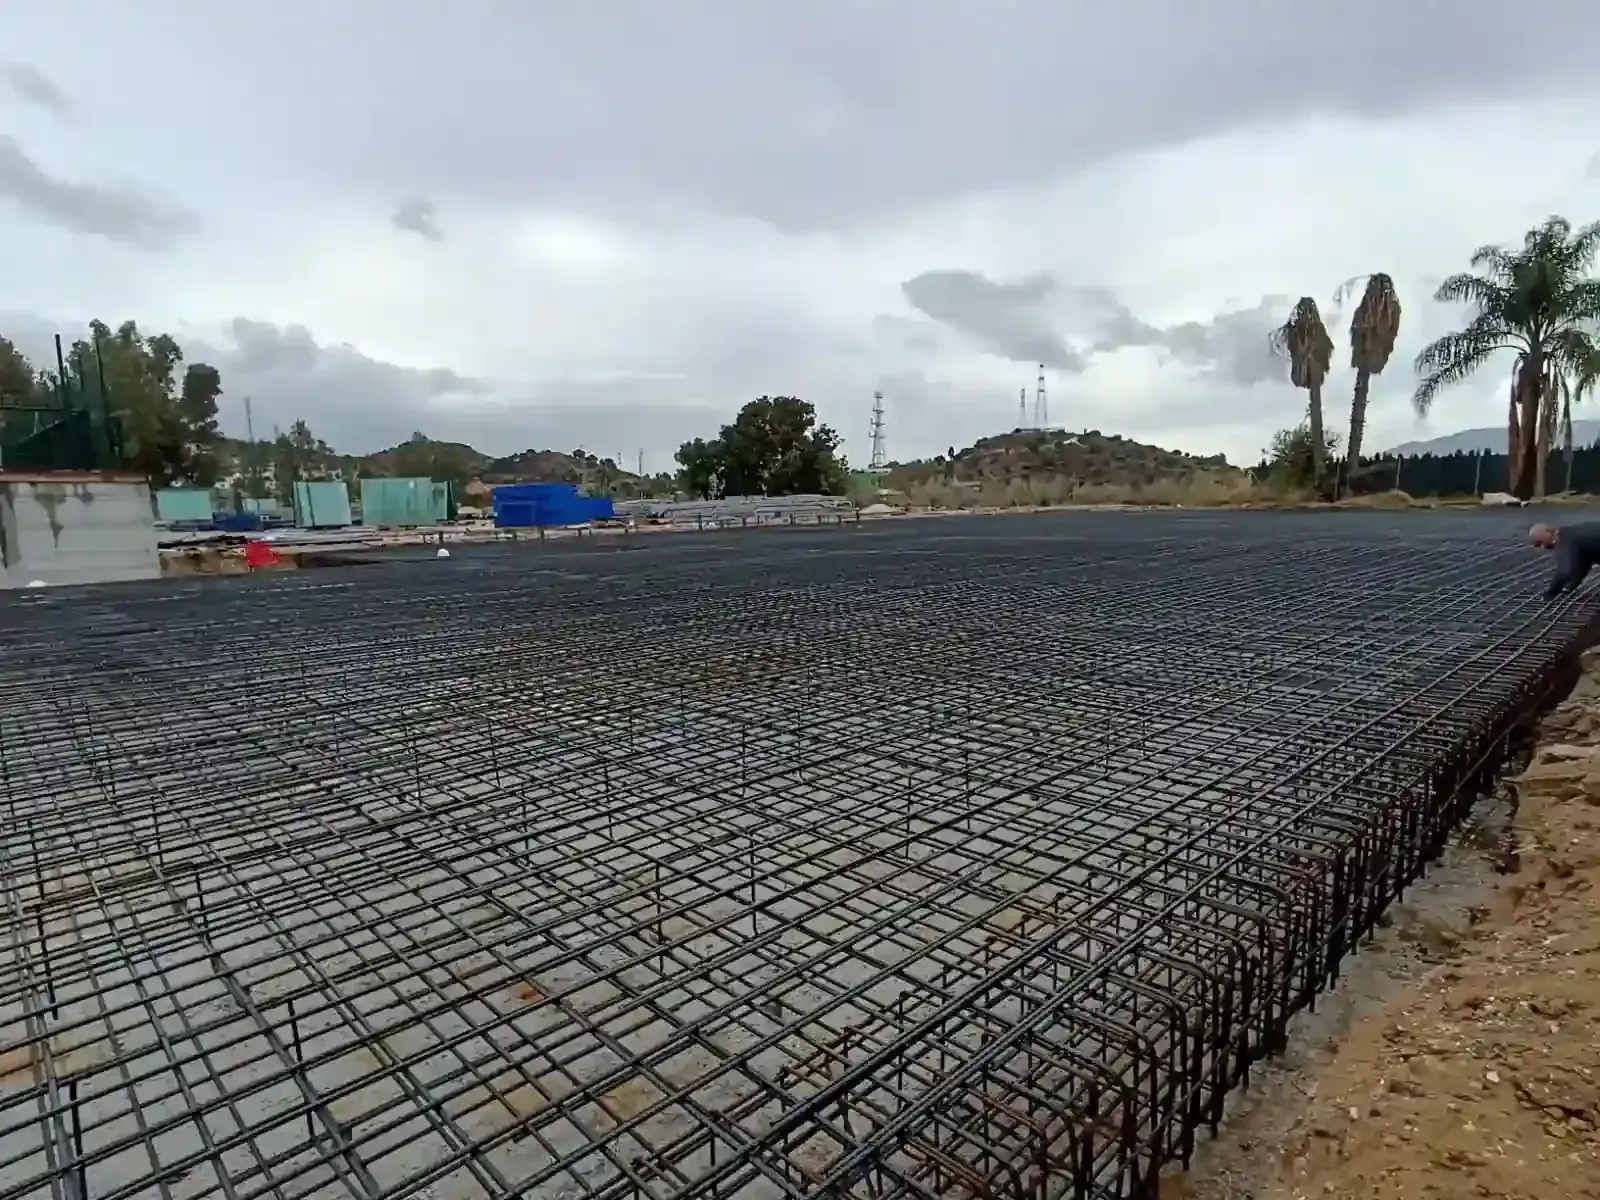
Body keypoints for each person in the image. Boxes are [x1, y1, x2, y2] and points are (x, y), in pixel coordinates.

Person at [1531, 521, 1600, 600]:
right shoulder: (1571, 535)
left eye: (1540, 542)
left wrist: (1550, 594)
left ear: (1549, 532)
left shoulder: (1565, 541)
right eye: (1538, 544)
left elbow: (1565, 571)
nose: (1543, 547)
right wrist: (1570, 587)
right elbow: (1584, 564)